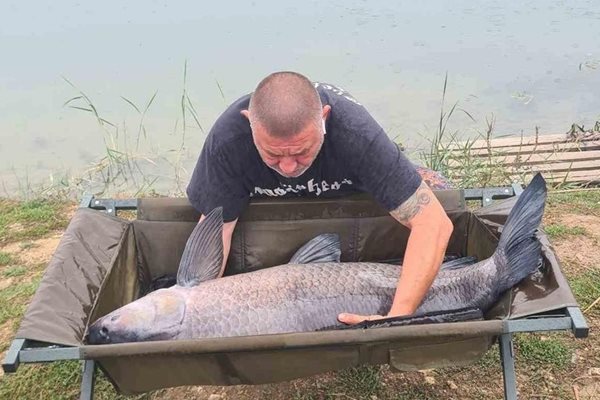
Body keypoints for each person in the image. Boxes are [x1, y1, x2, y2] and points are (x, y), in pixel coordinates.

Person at [186, 71, 454, 325]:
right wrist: (200, 311)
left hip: (354, 189)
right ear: (249, 123)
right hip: (270, 200)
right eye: (273, 155)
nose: (288, 167)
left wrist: (398, 317)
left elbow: (434, 223)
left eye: (301, 151)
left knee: (443, 190)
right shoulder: (228, 140)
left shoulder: (355, 133)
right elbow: (217, 229)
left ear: (324, 118)